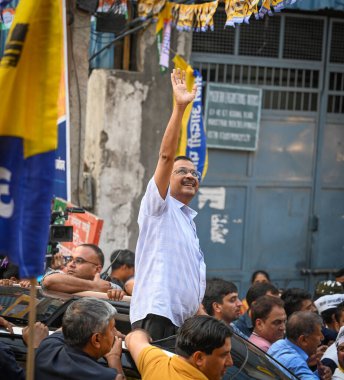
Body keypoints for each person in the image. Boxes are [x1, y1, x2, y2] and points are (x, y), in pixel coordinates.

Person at [130, 69, 204, 341]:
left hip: (182, 323)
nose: (190, 176)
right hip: (157, 316)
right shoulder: (159, 208)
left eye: (195, 173)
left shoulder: (187, 220)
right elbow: (165, 156)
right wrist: (180, 108)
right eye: (182, 171)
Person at [35, 297, 125, 379]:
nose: (115, 333)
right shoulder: (107, 377)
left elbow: (68, 325)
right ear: (96, 339)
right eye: (112, 328)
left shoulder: (46, 348)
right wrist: (114, 358)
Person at [125, 315, 233, 380]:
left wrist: (143, 333)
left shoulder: (157, 364)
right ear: (199, 358)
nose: (230, 362)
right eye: (224, 355)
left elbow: (134, 338)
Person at [41, 244, 124, 299]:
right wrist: (94, 286)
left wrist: (115, 294)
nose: (70, 264)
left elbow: (121, 293)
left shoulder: (106, 286)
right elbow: (49, 281)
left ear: (97, 269)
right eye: (70, 259)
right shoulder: (60, 275)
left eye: (79, 260)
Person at [268, 311, 332, 379]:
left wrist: (317, 375)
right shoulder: (295, 363)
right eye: (319, 334)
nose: (322, 338)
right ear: (303, 340)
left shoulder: (278, 344)